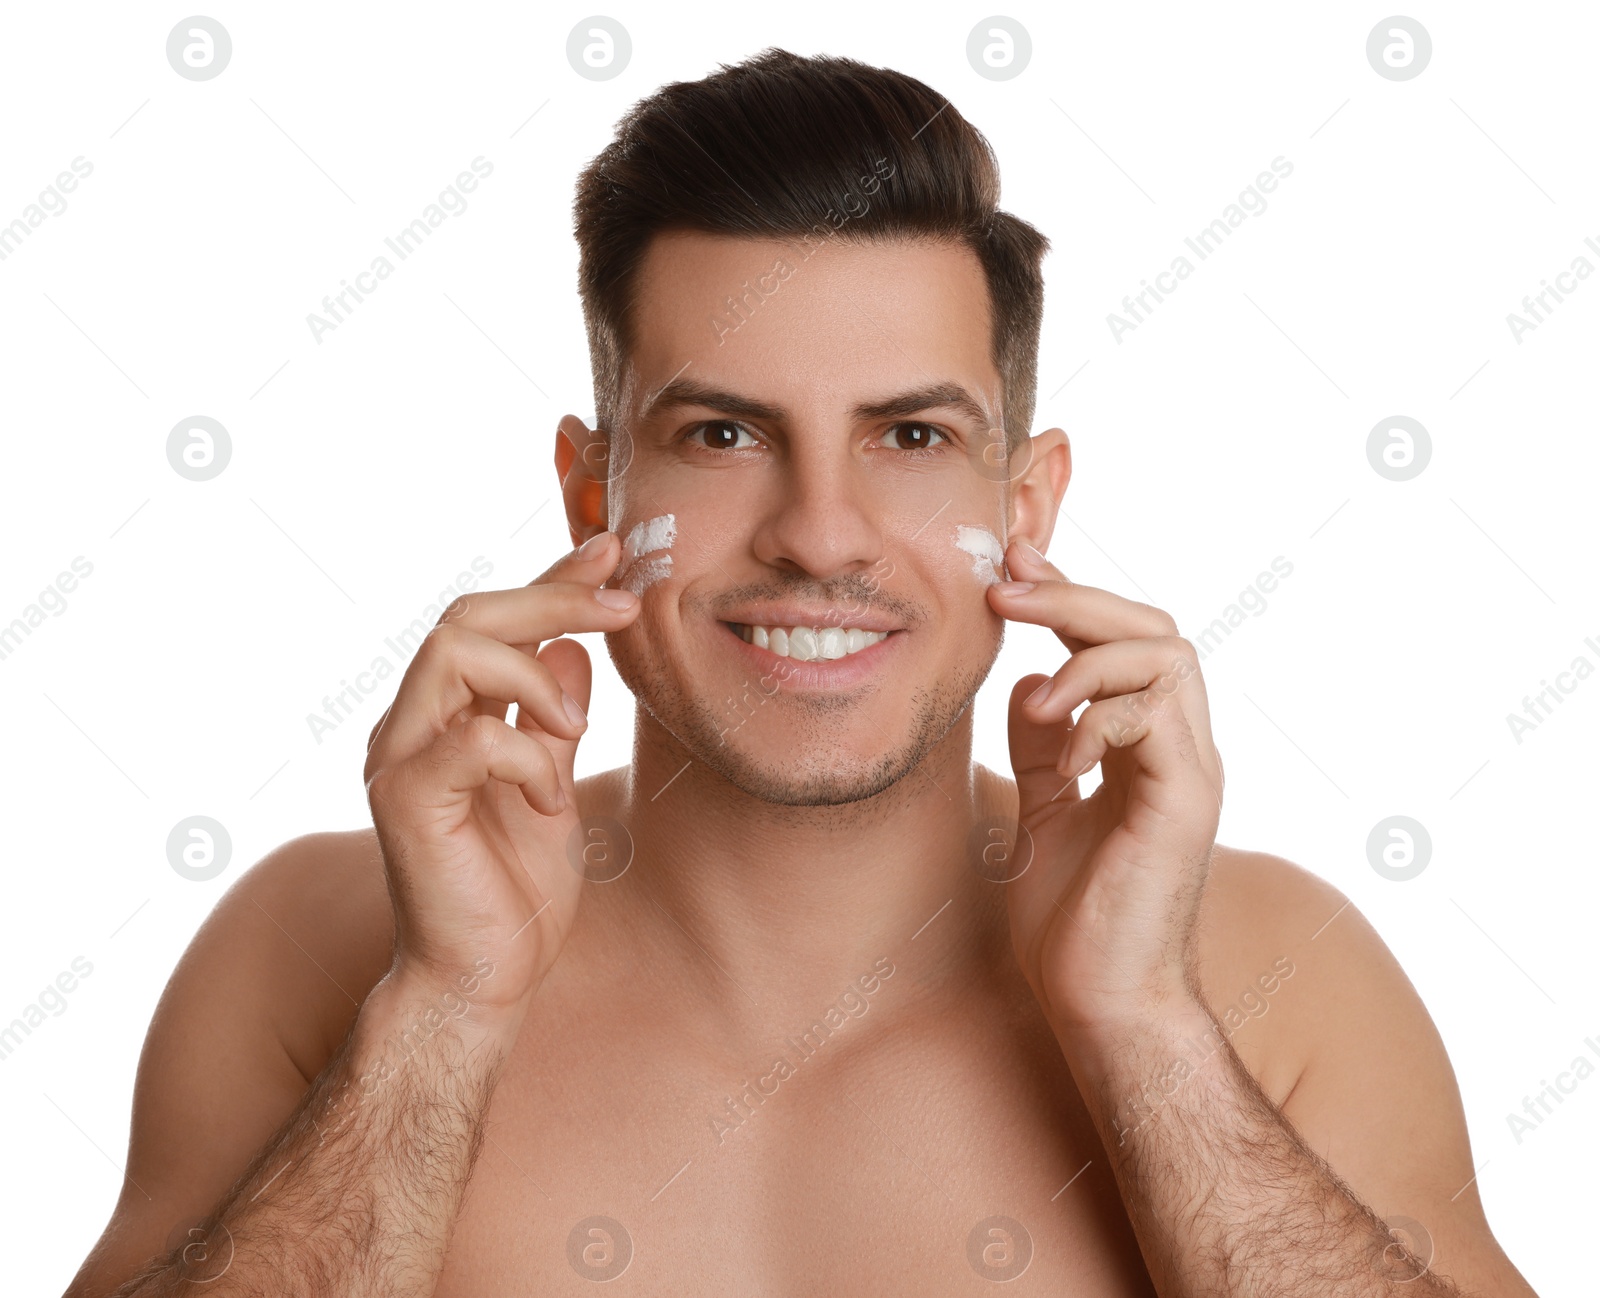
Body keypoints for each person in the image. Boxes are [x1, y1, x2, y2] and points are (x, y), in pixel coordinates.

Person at [67, 49, 1536, 1296]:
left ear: (1024, 509)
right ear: (593, 497)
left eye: (910, 438)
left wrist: (1145, 1032)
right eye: (720, 435)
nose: (820, 531)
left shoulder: (1270, 974)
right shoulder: (319, 950)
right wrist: (442, 1014)